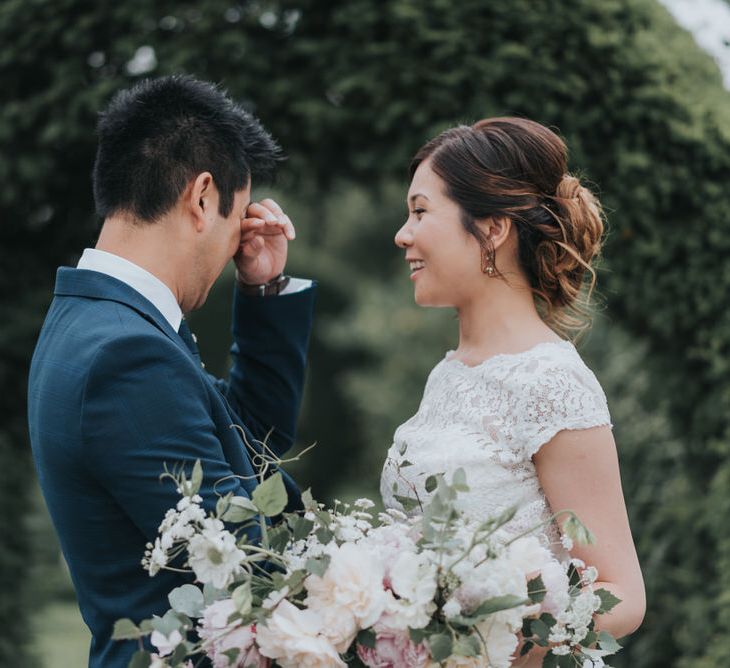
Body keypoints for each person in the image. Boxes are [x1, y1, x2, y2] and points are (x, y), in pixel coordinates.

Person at [27, 75, 315, 668]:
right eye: (238, 219)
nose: (240, 240)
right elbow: (242, 559)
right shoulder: (125, 356)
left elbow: (248, 446)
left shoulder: (95, 320)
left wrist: (265, 291)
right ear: (203, 197)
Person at [380, 118, 645, 665]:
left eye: (421, 211)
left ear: (493, 229)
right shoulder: (448, 374)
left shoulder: (553, 382)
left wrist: (488, 643)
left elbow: (622, 597)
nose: (403, 234)